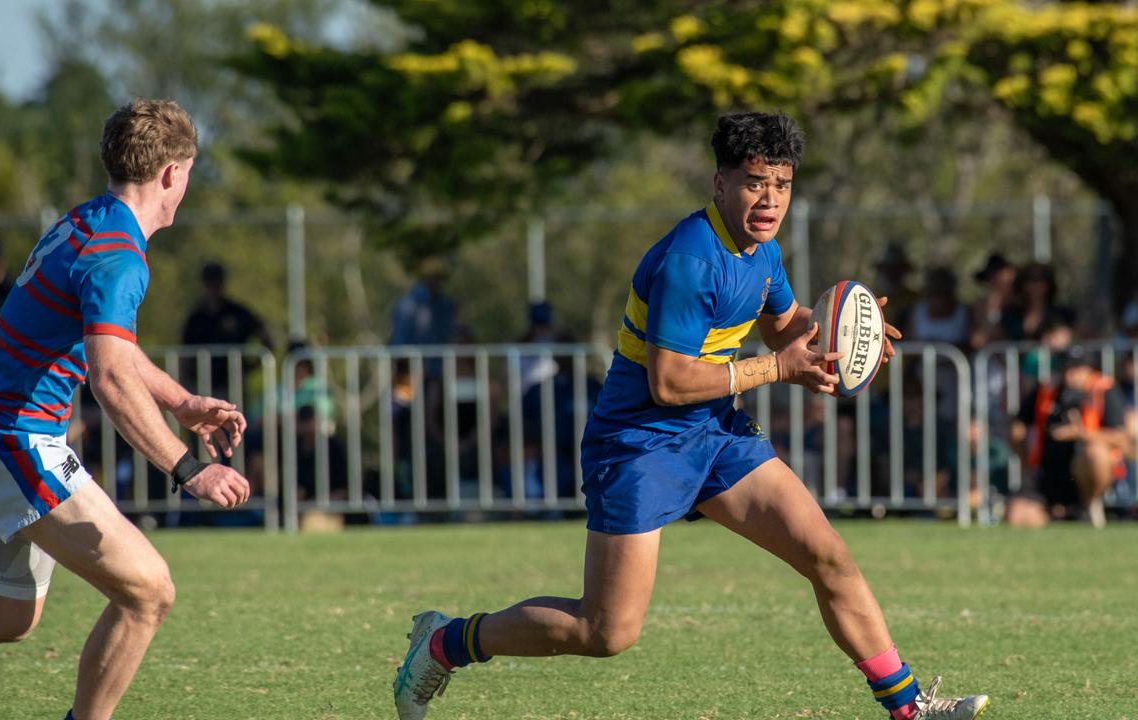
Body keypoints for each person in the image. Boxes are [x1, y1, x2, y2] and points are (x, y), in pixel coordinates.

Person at [393, 112, 989, 720]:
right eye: (756, 182)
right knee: (605, 631)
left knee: (827, 556)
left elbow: (783, 323)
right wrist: (780, 369)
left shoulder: (762, 251)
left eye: (782, 185)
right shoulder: (690, 260)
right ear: (720, 184)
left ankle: (909, 708)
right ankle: (445, 643)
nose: (770, 199)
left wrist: (846, 332)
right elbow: (671, 381)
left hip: (714, 433)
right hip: (638, 444)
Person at [0, 99, 251, 720]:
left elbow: (110, 349)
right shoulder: (119, 255)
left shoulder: (89, 221)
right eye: (191, 173)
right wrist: (187, 468)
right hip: (17, 440)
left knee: (4, 614)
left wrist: (181, 402)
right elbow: (110, 377)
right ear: (173, 173)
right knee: (148, 592)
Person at [1009, 348, 1133, 528]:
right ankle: (1056, 516)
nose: (1070, 375)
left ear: (1089, 370)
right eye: (1067, 369)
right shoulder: (1048, 389)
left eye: (1077, 369)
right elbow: (1018, 426)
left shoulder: (1104, 389)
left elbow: (1122, 438)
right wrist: (1026, 463)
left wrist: (1080, 433)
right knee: (1017, 516)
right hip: (1050, 470)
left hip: (1085, 471)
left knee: (1095, 453)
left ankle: (1089, 503)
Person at [181, 261, 272, 396]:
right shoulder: (196, 318)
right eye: (209, 283)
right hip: (200, 385)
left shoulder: (239, 313)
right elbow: (184, 354)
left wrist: (249, 367)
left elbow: (266, 340)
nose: (212, 288)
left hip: (232, 385)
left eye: (215, 283)